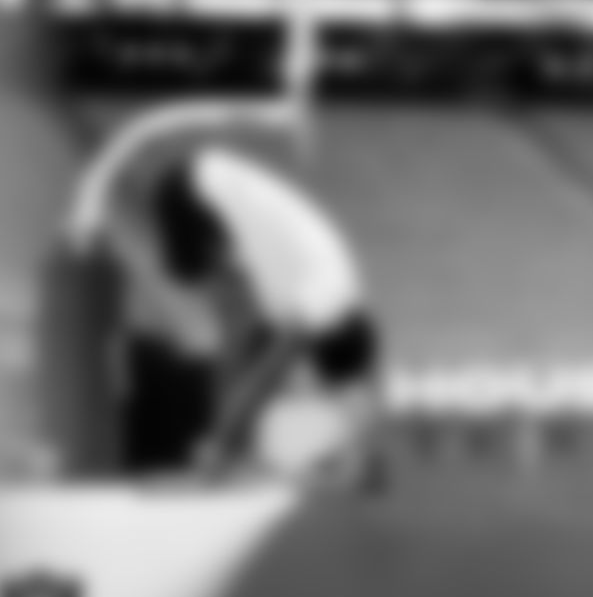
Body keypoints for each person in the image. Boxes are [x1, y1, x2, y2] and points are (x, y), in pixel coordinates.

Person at [59, 143, 382, 486]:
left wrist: (347, 456)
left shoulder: (329, 293)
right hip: (196, 189)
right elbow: (264, 376)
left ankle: (231, 453)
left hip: (211, 188)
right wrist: (222, 442)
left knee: (249, 343)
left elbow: (344, 386)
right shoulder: (319, 301)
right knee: (243, 341)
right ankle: (225, 454)